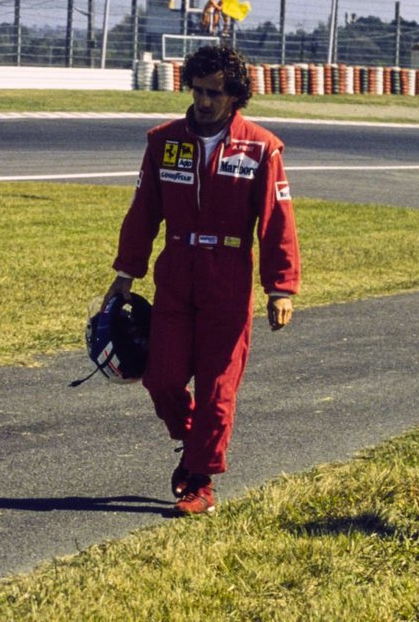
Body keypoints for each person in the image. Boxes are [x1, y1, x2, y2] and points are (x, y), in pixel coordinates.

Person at [101, 44, 301, 516]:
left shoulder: (261, 147)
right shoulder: (163, 141)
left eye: (215, 93)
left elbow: (277, 221)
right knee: (162, 378)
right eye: (197, 90)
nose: (204, 101)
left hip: (228, 280)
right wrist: (126, 272)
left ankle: (200, 481)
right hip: (175, 275)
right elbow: (143, 212)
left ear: (235, 96)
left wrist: (281, 287)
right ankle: (194, 447)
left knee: (218, 389)